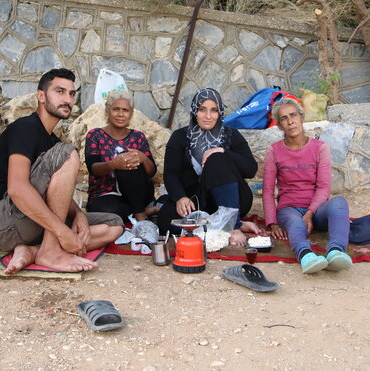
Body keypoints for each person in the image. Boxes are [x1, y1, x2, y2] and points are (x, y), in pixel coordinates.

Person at [0, 68, 123, 274]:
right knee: (67, 151)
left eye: (71, 94)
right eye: (60, 92)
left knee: (113, 225)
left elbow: (54, 190)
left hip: (32, 224)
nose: (68, 99)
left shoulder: (52, 140)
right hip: (1, 224)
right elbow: (17, 189)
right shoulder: (25, 128)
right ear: (41, 96)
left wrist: (79, 215)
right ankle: (51, 251)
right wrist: (62, 231)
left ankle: (34, 250)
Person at [158, 88, 262, 245]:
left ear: (220, 112)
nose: (208, 116)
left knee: (217, 159)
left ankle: (233, 226)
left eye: (213, 110)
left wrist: (222, 151)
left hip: (231, 200)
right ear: (194, 111)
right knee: (166, 221)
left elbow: (250, 169)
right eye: (202, 110)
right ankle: (225, 225)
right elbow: (171, 174)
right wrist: (180, 197)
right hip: (196, 202)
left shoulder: (231, 135)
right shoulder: (179, 137)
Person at [263, 97, 352, 274]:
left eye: (293, 115)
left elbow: (324, 187)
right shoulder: (274, 151)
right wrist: (272, 223)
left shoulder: (320, 148)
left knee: (340, 203)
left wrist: (311, 212)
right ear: (280, 126)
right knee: (296, 224)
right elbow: (267, 190)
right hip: (289, 209)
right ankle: (305, 255)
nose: (290, 121)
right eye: (284, 119)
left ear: (302, 118)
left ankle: (336, 251)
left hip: (317, 209)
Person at [84, 90, 159, 224]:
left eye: (125, 110)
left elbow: (151, 172)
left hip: (138, 192)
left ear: (131, 114)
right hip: (106, 194)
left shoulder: (138, 137)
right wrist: (113, 164)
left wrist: (143, 158)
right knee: (108, 212)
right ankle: (141, 211)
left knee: (130, 161)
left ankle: (140, 213)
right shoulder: (95, 135)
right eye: (116, 109)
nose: (120, 114)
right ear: (107, 111)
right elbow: (93, 168)